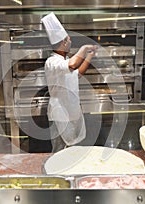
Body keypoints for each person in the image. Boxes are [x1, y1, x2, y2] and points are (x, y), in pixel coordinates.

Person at [41, 12, 97, 152]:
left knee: (71, 151)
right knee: (59, 151)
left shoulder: (63, 61)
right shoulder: (52, 62)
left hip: (71, 110)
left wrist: (89, 56)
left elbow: (77, 73)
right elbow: (72, 65)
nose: (70, 42)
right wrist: (83, 49)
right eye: (69, 40)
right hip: (59, 113)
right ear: (64, 42)